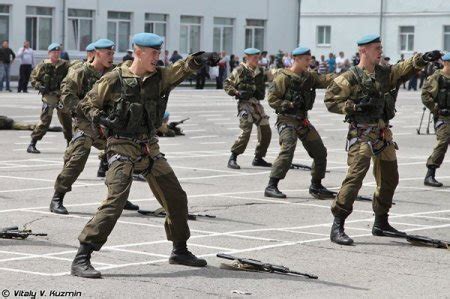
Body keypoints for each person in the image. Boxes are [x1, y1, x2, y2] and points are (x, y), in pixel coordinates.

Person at [70, 32, 219, 278]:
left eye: (159, 53)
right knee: (116, 199)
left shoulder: (160, 77)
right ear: (138, 52)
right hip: (121, 145)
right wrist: (102, 118)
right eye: (153, 53)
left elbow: (182, 68)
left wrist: (201, 58)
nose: (157, 58)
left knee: (176, 197)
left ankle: (179, 249)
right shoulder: (114, 79)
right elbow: (87, 104)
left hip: (149, 147)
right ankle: (82, 256)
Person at [324, 34, 441, 245]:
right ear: (363, 51)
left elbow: (402, 68)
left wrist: (423, 58)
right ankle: (338, 224)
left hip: (382, 134)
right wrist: (353, 106)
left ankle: (381, 222)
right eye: (376, 48)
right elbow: (331, 100)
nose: (380, 51)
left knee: (390, 178)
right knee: (356, 176)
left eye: (380, 48)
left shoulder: (384, 73)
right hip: (361, 133)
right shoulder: (350, 76)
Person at [50, 38, 140, 215]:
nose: (111, 56)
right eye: (108, 53)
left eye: (113, 53)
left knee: (123, 157)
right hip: (85, 122)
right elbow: (67, 97)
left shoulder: (113, 73)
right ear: (97, 53)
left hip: (106, 123)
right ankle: (57, 197)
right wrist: (88, 111)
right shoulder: (80, 71)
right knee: (77, 159)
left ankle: (118, 197)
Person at [264, 46, 336, 199]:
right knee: (288, 149)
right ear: (296, 59)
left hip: (302, 120)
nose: (309, 62)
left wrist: (348, 76)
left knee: (320, 151)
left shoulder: (309, 77)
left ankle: (316, 185)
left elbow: (326, 79)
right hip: (287, 119)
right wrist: (289, 104)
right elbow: (272, 99)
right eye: (306, 59)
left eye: (310, 59)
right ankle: (271, 186)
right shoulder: (283, 77)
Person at [224, 48, 272, 169]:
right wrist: (236, 92)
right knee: (246, 130)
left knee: (266, 129)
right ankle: (233, 157)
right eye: (254, 58)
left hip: (256, 105)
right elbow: (227, 84)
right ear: (247, 58)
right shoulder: (240, 70)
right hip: (244, 104)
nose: (257, 60)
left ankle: (258, 158)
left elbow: (274, 75)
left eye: (258, 57)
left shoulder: (261, 71)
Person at [27, 43, 72, 153]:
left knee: (67, 121)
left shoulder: (65, 65)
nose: (56, 54)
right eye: (54, 52)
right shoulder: (42, 65)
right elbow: (33, 78)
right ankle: (32, 143)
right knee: (45, 120)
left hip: (61, 95)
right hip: (49, 95)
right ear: (49, 53)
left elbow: (73, 75)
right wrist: (39, 86)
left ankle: (70, 144)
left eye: (58, 52)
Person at [422, 52, 450, 187]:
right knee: (443, 142)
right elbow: (425, 96)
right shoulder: (437, 77)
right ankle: (430, 175)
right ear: (445, 63)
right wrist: (436, 109)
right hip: (443, 117)